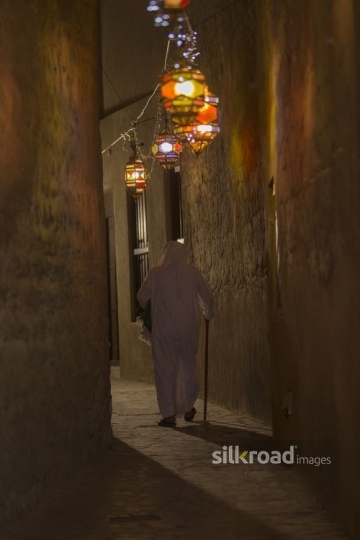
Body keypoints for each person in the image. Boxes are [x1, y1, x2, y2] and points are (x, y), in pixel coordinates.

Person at [137, 241, 214, 427]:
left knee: (164, 370)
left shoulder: (155, 274)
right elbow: (208, 297)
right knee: (187, 367)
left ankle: (168, 414)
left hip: (163, 330)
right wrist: (208, 313)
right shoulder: (192, 272)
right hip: (188, 329)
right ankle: (188, 408)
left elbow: (141, 298)